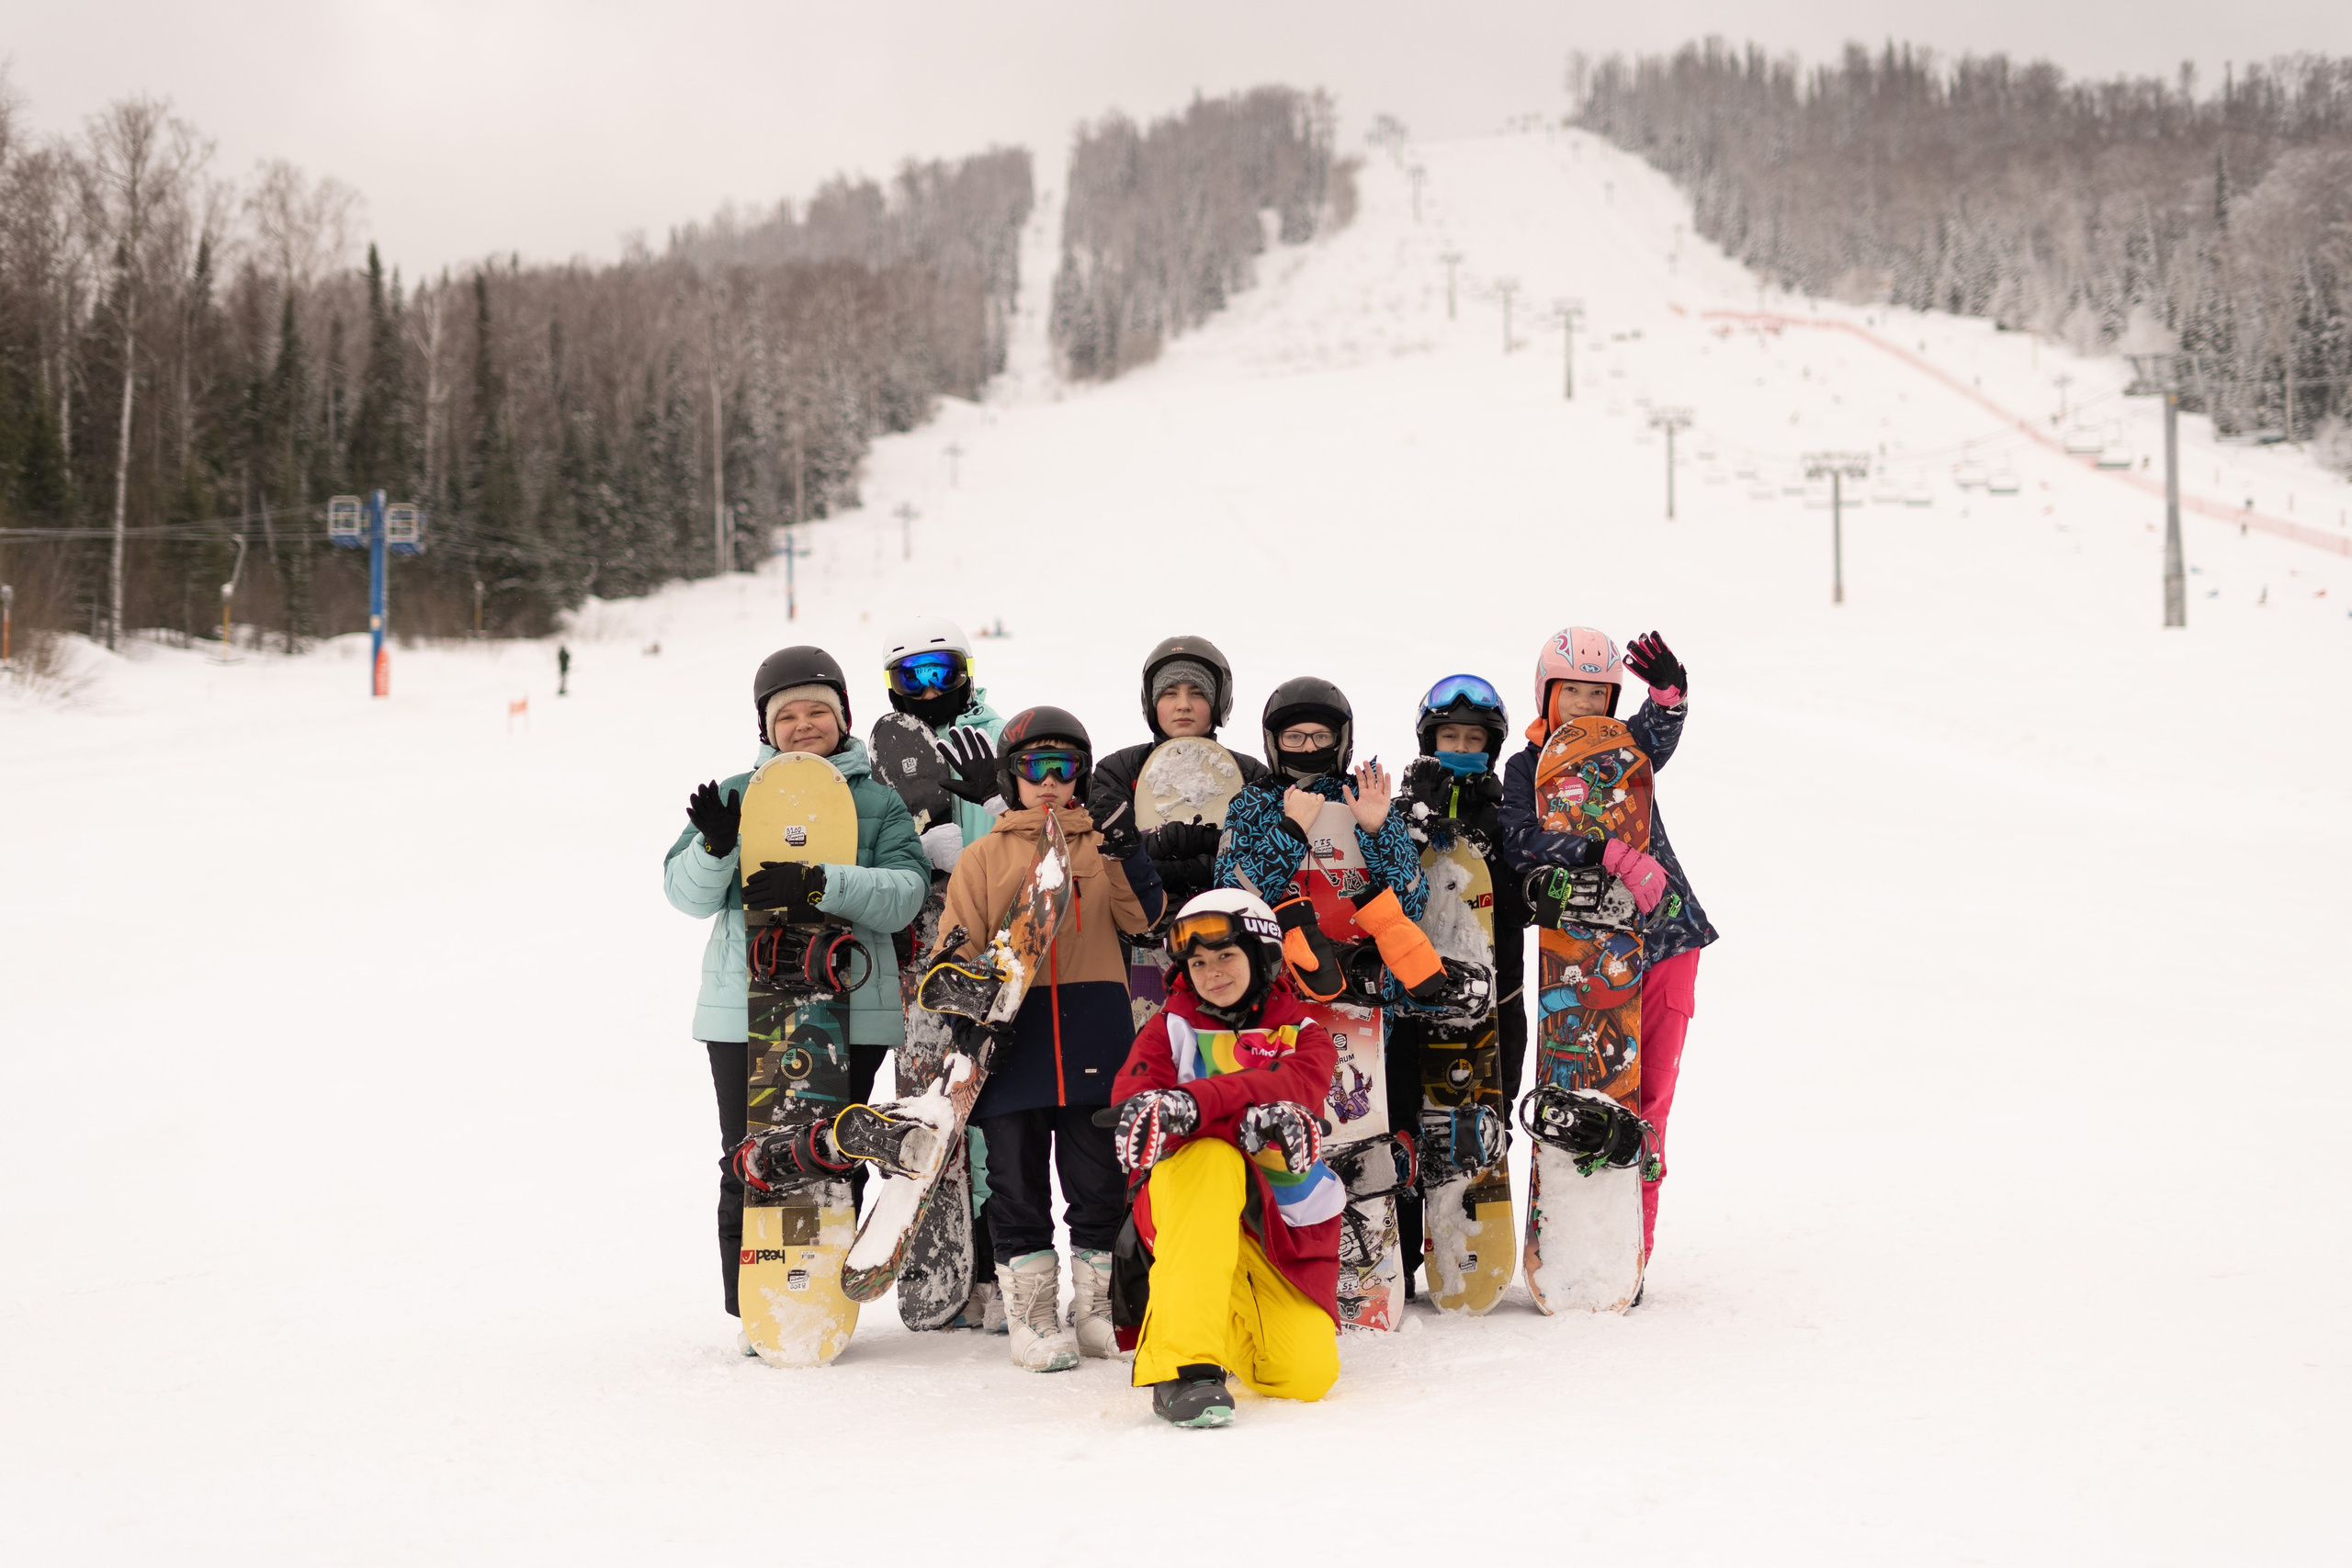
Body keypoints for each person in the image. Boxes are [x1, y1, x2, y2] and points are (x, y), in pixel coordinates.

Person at [662, 646, 932, 1333]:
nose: (805, 724)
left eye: (819, 711)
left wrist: (819, 881)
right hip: (743, 1009)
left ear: (843, 717)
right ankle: (753, 1304)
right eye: (789, 714)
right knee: (746, 1158)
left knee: (831, 1151)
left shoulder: (877, 800)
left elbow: (905, 894)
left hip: (850, 1010)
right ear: (766, 725)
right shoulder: (733, 793)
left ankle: (820, 1296)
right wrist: (718, 846)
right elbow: (685, 896)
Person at [929, 705, 1167, 1371]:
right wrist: (969, 1019)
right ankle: (1031, 1316)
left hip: (1096, 1034)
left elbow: (1147, 918)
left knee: (1098, 1181)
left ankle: (1095, 1309)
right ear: (1011, 777)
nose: (1052, 782)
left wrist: (1128, 850)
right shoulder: (983, 858)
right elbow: (955, 951)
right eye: (1037, 768)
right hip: (1016, 1040)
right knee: (1015, 1182)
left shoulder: (1099, 847)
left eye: (1066, 768)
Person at [1497, 627, 1717, 1270]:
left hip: (1668, 939)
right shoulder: (1525, 768)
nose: (1588, 706)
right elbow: (1521, 843)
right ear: (1548, 696)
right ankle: (1570, 1229)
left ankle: (1630, 1250)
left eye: (1601, 694)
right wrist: (1610, 854)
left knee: (1648, 1101)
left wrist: (1670, 696)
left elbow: (1659, 733)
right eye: (1575, 694)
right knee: (1587, 1089)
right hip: (1582, 950)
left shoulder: (1628, 751)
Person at [1110, 889, 1344, 1427]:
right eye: (1197, 963)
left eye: (1225, 957)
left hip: (1268, 1226)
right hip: (1182, 1208)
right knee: (1212, 1158)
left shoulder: (1306, 1038)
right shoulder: (1166, 1029)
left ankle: (1210, 1319)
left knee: (1306, 1376)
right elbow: (1136, 1108)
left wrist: (1192, 1104)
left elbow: (1295, 1088)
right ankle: (1185, 1368)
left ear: (1261, 957)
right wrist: (1233, 1120)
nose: (1210, 972)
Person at [879, 615, 1007, 1331]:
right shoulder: (885, 747)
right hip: (922, 942)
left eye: (940, 671)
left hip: (992, 930)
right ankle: (942, 1262)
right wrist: (918, 848)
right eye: (911, 676)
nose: (928, 689)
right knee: (932, 1095)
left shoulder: (1002, 733)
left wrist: (977, 838)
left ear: (964, 671)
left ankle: (996, 1264)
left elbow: (1027, 828)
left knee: (991, 1101)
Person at [1390, 673, 1532, 1290]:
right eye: (1450, 734)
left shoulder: (1507, 812)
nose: (1462, 745)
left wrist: (1492, 854)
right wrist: (1411, 821)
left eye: (1474, 737)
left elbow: (1520, 897)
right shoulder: (1399, 806)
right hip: (1411, 997)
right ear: (1428, 737)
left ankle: (1470, 1244)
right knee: (1406, 1119)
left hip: (1494, 1000)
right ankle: (1396, 1249)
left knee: (1474, 1120)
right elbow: (1384, 884)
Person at [1214, 675, 1428, 946]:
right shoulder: (1253, 804)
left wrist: (1378, 833)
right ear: (1274, 742)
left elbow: (1412, 906)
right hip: (1279, 975)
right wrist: (1288, 833)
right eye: (1294, 737)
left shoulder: (1366, 798)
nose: (1309, 747)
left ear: (1341, 741)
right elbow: (1228, 903)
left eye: (1322, 736)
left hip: (1365, 970)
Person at [1088, 635, 1269, 915]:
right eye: (1169, 693)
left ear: (1217, 701)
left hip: (1229, 920)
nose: (1183, 704)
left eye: (1197, 692)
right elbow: (1102, 857)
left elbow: (1263, 860)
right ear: (1152, 702)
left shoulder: (1252, 774)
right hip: (1142, 923)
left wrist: (1185, 861)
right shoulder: (1118, 770)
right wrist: (1166, 844)